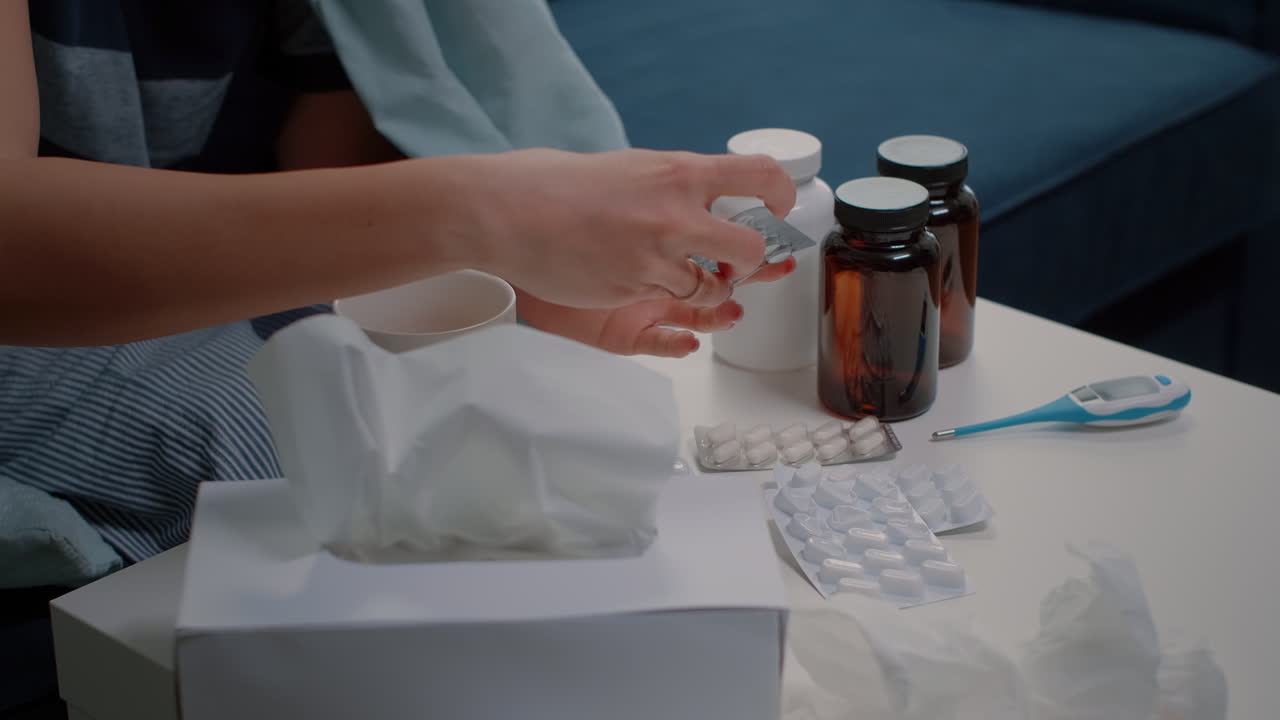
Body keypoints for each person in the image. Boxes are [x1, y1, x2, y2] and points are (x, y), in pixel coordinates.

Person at [0, 1, 796, 562]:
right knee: (305, 451)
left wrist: (506, 287)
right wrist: (497, 211)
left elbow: (332, 187)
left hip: (228, 268)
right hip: (46, 314)